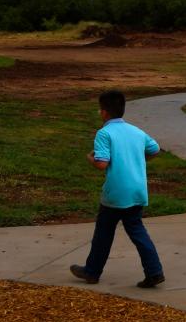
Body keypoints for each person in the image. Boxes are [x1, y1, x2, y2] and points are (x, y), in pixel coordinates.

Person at [69, 89, 165, 288]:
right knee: (137, 230)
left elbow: (102, 163)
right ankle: (154, 271)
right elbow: (155, 149)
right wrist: (138, 159)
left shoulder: (104, 133)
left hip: (116, 192)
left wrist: (90, 158)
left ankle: (92, 271)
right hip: (137, 190)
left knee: (103, 232)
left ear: (104, 112)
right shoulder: (136, 131)